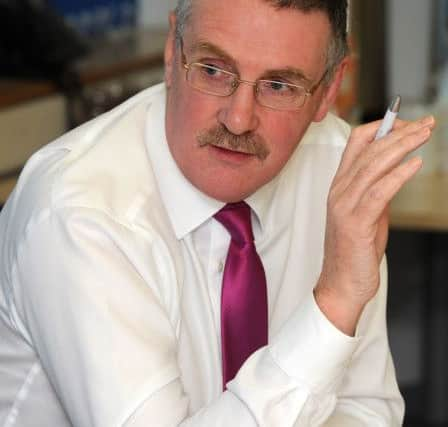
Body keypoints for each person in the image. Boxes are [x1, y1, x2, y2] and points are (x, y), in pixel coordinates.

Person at [0, 0, 435, 425]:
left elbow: (365, 408)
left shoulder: (337, 170)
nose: (239, 119)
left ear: (327, 91)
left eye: (279, 86)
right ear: (173, 52)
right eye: (213, 70)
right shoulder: (79, 215)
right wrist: (334, 305)